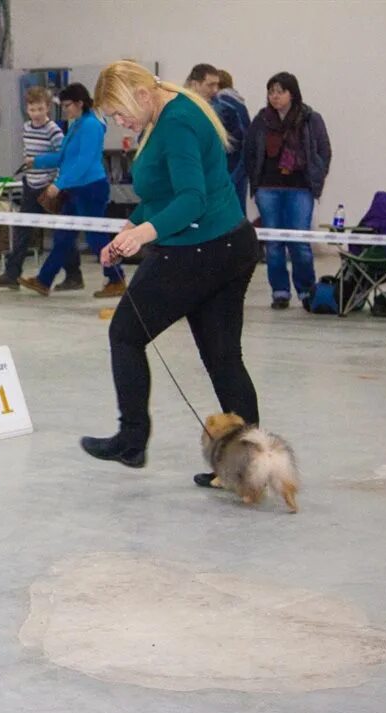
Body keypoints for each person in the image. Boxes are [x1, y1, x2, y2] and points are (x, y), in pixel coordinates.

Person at [80, 60, 260, 485]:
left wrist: (142, 234)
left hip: (202, 249)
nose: (119, 122)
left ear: (141, 95)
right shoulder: (169, 112)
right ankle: (249, 464)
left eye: (121, 112)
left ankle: (132, 438)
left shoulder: (177, 122)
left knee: (125, 333)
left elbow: (192, 200)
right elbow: (163, 193)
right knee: (223, 360)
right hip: (228, 245)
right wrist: (128, 229)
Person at [18, 83, 126, 298]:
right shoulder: (76, 124)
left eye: (67, 105)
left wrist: (59, 184)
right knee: (63, 236)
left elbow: (84, 162)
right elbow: (64, 157)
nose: (64, 109)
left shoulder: (92, 126)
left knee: (96, 237)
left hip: (91, 188)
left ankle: (116, 279)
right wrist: (36, 161)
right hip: (75, 188)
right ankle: (43, 280)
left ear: (79, 103)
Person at [243, 72, 331, 309]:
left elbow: (323, 151)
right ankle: (280, 291)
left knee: (300, 242)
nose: (275, 97)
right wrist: (257, 182)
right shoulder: (261, 120)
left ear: (292, 93)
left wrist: (317, 175)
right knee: (273, 244)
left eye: (280, 92)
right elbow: (250, 151)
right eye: (271, 92)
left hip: (300, 188)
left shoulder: (310, 119)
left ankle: (306, 290)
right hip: (268, 189)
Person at [0, 86, 68, 289]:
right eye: (32, 110)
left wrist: (56, 184)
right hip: (30, 185)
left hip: (48, 187)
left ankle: (74, 273)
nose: (36, 114)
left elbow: (63, 158)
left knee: (62, 231)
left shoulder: (54, 130)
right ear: (27, 109)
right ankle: (12, 274)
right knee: (22, 229)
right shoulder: (26, 128)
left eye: (40, 109)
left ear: (47, 108)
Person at [212, 69, 251, 214]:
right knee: (238, 210)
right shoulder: (239, 102)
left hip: (226, 164)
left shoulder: (221, 102)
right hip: (240, 164)